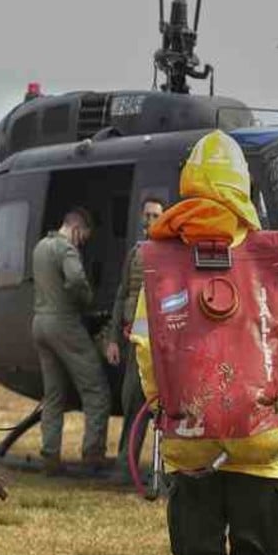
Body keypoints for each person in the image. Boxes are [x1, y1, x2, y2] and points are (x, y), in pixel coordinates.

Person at [130, 130, 278, 555]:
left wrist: (164, 404)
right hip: (259, 440)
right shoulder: (273, 258)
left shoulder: (161, 260)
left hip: (189, 440)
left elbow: (145, 347)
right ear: (241, 189)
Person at [31, 207, 112, 474]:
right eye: (84, 236)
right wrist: (86, 299)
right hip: (64, 323)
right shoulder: (66, 250)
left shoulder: (41, 247)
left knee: (53, 395)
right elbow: (76, 279)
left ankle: (50, 456)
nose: (83, 242)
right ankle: (93, 453)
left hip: (39, 323)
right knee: (96, 389)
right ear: (76, 229)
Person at [103, 196, 165, 479]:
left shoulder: (172, 252)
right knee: (132, 402)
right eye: (147, 215)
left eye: (155, 216)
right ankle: (124, 465)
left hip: (162, 346)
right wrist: (113, 339)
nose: (150, 220)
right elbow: (121, 296)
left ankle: (163, 471)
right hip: (133, 343)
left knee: (165, 409)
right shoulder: (135, 253)